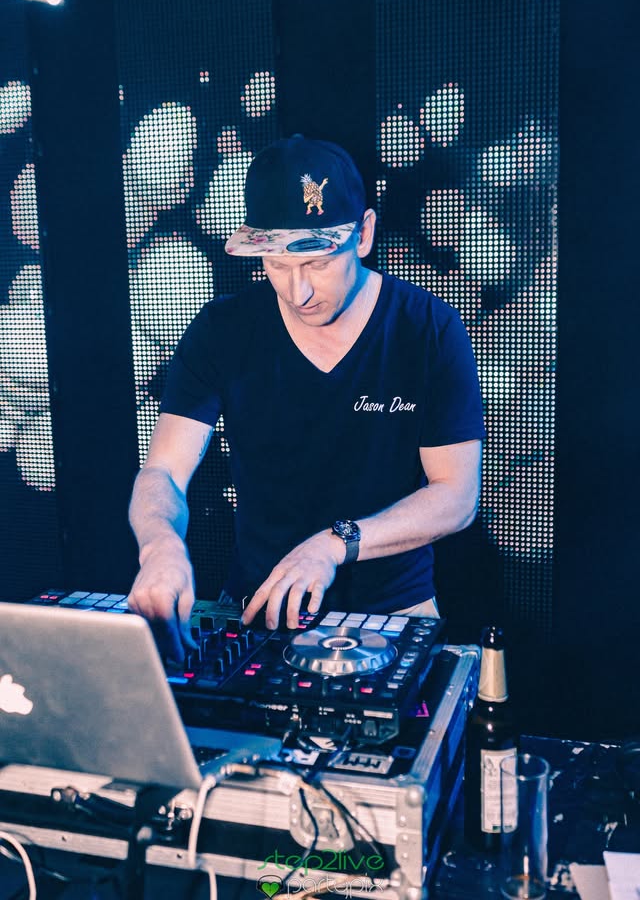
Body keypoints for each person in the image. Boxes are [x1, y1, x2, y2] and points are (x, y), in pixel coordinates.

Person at [128, 135, 485, 661]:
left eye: (317, 263)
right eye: (276, 265)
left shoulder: (427, 330)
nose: (299, 293)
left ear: (363, 234)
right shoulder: (223, 330)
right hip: (256, 608)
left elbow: (457, 496)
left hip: (394, 611)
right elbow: (163, 471)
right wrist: (160, 545)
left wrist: (333, 544)